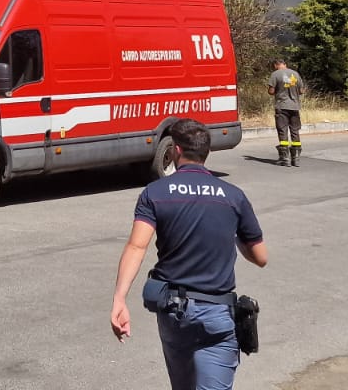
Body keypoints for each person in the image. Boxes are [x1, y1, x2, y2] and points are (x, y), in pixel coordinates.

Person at [110, 118, 268, 390]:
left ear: (176, 151)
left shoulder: (155, 193)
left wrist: (119, 299)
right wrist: (235, 236)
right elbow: (260, 257)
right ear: (205, 153)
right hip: (218, 312)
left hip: (175, 313)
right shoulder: (233, 196)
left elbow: (137, 246)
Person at [267, 58, 303, 167]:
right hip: (294, 107)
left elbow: (271, 91)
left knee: (282, 130)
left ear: (275, 65)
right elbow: (301, 91)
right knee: (295, 131)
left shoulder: (275, 74)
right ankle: (295, 158)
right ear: (285, 64)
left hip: (282, 107)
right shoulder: (295, 74)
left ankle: (285, 158)